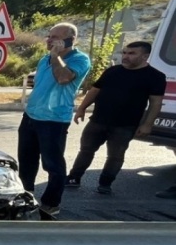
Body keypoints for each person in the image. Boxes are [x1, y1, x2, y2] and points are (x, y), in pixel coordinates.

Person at [65, 41, 165, 194]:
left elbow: (155, 103)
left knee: (115, 156)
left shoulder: (155, 76)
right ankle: (74, 177)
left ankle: (105, 183)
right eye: (124, 53)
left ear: (145, 56)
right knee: (85, 150)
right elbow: (94, 90)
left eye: (132, 54)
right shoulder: (113, 71)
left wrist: (147, 125)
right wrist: (82, 108)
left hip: (125, 125)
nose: (126, 57)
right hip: (98, 120)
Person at [17, 23, 91, 218]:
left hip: (54, 120)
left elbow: (63, 78)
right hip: (31, 116)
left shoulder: (80, 59)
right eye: (49, 36)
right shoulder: (45, 58)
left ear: (69, 40)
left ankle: (51, 203)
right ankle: (25, 195)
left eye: (54, 37)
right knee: (26, 161)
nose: (49, 40)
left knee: (53, 164)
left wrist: (56, 56)